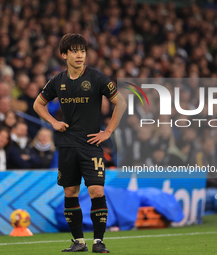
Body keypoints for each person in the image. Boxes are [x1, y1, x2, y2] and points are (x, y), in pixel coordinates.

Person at [33, 34, 126, 253]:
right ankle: (78, 242)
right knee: (70, 192)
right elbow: (38, 104)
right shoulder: (58, 80)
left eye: (82, 51)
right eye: (74, 51)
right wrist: (53, 122)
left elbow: (120, 102)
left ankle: (99, 241)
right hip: (66, 145)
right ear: (64, 55)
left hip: (91, 144)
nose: (79, 55)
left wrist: (108, 132)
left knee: (96, 190)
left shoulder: (96, 77)